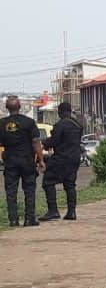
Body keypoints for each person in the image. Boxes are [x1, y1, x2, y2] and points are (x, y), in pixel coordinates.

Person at [0, 97, 44, 227]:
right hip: (27, 161)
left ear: (7, 108)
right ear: (19, 107)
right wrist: (41, 160)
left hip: (10, 162)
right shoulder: (29, 122)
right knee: (29, 189)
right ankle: (29, 218)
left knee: (11, 191)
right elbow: (35, 141)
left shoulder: (1, 124)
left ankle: (13, 220)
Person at [39, 102, 83, 221]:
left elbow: (54, 141)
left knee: (48, 181)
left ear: (60, 112)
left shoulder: (60, 125)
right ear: (70, 111)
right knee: (70, 184)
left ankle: (53, 211)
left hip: (62, 158)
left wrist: (45, 143)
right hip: (75, 158)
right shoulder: (78, 124)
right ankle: (71, 212)